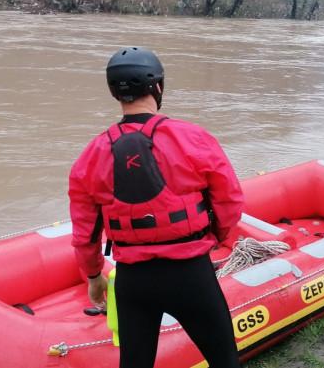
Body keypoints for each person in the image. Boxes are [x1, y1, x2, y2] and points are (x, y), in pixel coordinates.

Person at [69, 47, 244, 368]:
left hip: (134, 282)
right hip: (191, 274)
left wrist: (94, 275)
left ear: (114, 92)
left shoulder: (90, 155)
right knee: (224, 361)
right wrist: (217, 238)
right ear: (158, 87)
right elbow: (230, 201)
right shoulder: (194, 138)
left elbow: (84, 232)